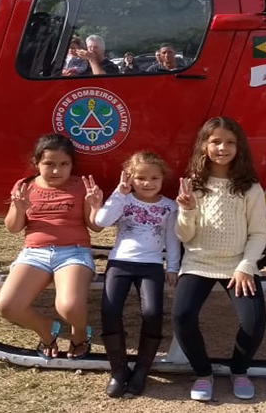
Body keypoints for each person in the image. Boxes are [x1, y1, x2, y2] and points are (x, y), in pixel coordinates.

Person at [172, 116, 266, 401]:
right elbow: (184, 236)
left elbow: (259, 234)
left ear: (239, 147)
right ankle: (203, 373)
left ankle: (239, 370)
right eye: (215, 141)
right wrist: (187, 210)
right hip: (198, 264)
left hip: (238, 265)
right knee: (182, 316)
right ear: (204, 145)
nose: (222, 148)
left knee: (254, 322)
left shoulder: (250, 187)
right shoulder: (193, 184)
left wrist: (246, 267)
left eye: (229, 142)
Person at [0, 134, 103, 360]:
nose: (56, 171)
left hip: (74, 252)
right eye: (49, 164)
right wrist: (19, 208)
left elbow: (95, 227)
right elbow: (13, 228)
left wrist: (95, 207)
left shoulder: (80, 185)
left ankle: (80, 334)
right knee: (8, 306)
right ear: (37, 163)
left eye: (64, 164)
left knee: (69, 306)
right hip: (35, 253)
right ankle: (46, 330)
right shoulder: (25, 186)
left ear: (72, 165)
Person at [93, 151, 180, 397]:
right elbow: (101, 220)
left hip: (151, 265)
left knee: (152, 313)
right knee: (110, 310)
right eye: (141, 177)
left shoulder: (169, 207)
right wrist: (118, 194)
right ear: (130, 178)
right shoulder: (125, 199)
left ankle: (142, 369)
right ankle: (119, 370)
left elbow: (173, 240)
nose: (147, 183)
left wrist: (172, 267)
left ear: (163, 178)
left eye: (154, 177)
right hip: (120, 262)